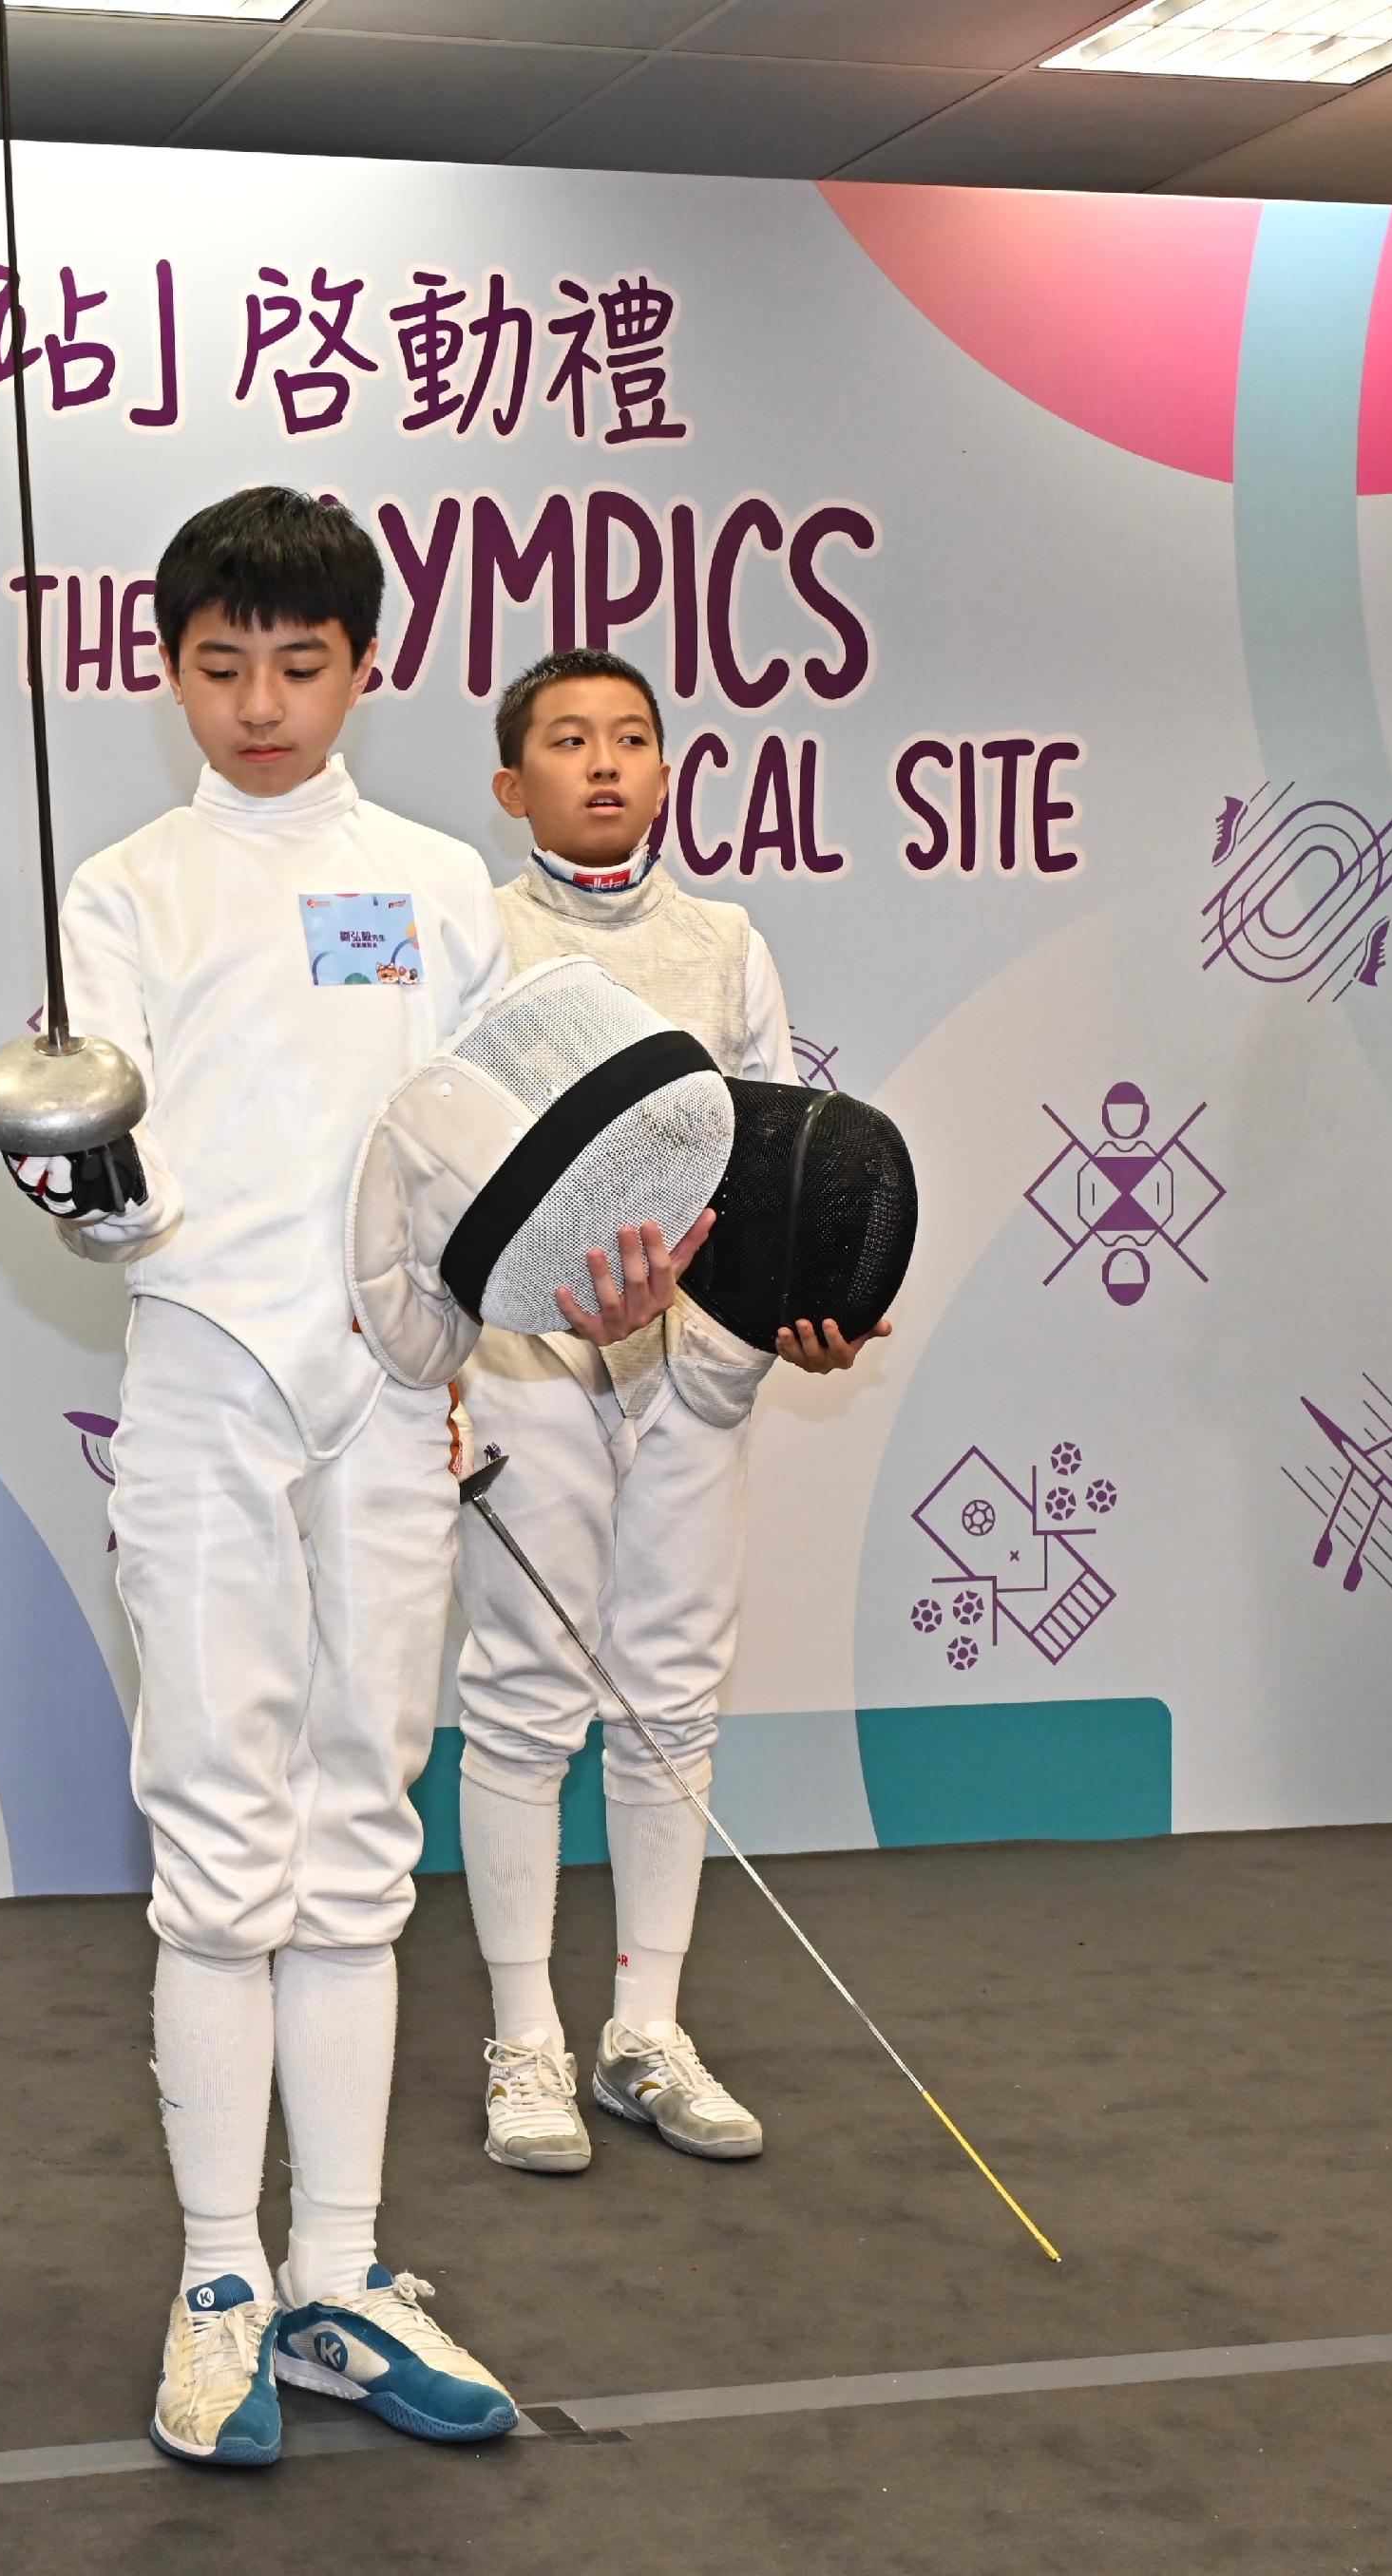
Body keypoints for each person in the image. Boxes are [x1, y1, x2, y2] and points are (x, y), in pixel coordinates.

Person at [0, 489, 702, 2471]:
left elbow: (507, 1148)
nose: (255, 702)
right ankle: (216, 2274)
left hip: (396, 1394)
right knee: (222, 1841)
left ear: (360, 668)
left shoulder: (436, 886)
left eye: (294, 666)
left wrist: (603, 1254)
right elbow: (103, 1186)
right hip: (210, 1383)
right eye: (216, 665)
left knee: (352, 1833)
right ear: (165, 669)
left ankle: (339, 2267)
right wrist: (76, 1174)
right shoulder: (125, 882)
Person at [454, 648, 886, 2178]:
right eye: (569, 741)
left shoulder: (728, 944)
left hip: (697, 1369)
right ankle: (525, 2038)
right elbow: (442, 1166)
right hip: (534, 1363)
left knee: (670, 1701)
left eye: (633, 736)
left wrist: (807, 1308)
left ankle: (646, 2029)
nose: (608, 762)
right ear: (514, 786)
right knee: (523, 1695)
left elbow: (779, 1165)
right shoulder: (471, 937)